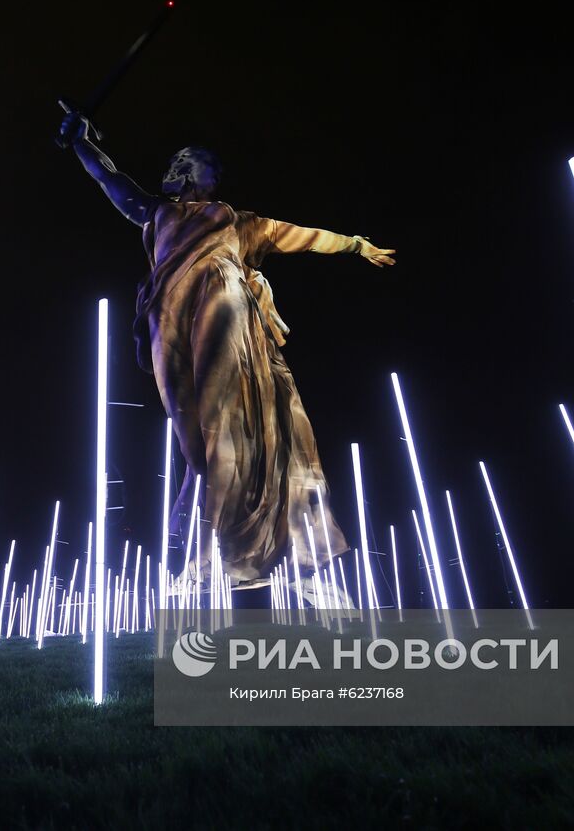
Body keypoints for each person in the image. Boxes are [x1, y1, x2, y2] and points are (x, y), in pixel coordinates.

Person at [60, 108, 396, 589]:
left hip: (226, 316)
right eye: (208, 165)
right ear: (185, 170)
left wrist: (354, 245)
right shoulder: (157, 212)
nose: (217, 173)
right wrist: (81, 142)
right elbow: (109, 179)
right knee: (195, 446)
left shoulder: (236, 222)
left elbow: (302, 236)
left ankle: (229, 561)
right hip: (169, 325)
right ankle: (212, 556)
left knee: (227, 433)